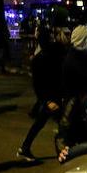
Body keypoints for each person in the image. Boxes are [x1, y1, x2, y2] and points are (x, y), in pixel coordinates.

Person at [21, 25, 67, 162]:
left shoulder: (50, 54)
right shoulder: (42, 58)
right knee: (61, 123)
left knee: (42, 122)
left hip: (54, 95)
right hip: (52, 97)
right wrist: (47, 100)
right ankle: (62, 150)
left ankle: (25, 147)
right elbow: (38, 84)